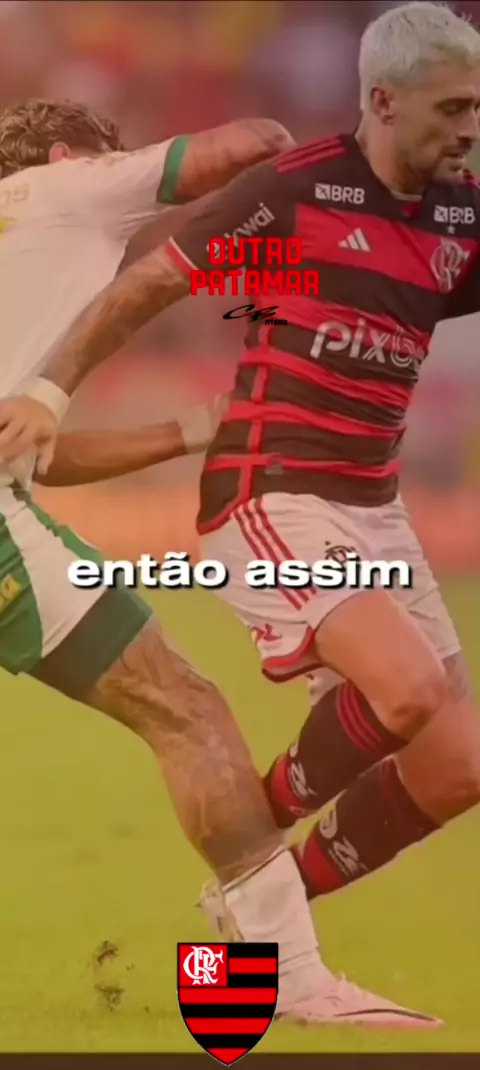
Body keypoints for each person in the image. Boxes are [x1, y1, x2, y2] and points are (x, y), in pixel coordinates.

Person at [4, 0, 480, 1023]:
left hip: (372, 503)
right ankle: (267, 931)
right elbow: (191, 219)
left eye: (477, 108)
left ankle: (258, 913)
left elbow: (39, 455)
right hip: (278, 490)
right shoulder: (258, 189)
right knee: (290, 703)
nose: (470, 127)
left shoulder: (456, 215)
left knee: (457, 759)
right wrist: (51, 386)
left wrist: (168, 427)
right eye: (453, 108)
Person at [0, 98, 361, 1028]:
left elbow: (33, 453)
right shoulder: (72, 190)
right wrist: (318, 192)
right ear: (72, 156)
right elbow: (256, 143)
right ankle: (285, 978)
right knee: (186, 709)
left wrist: (194, 429)